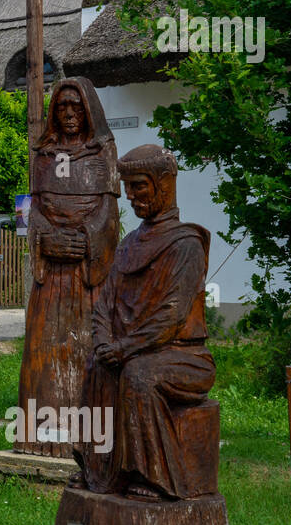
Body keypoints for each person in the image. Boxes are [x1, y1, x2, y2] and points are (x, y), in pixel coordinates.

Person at [71, 144, 215, 500]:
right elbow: (104, 304)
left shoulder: (186, 244)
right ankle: (100, 472)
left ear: (164, 184)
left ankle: (155, 478)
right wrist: (105, 343)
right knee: (98, 366)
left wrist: (124, 348)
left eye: (139, 186)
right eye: (128, 188)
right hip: (133, 351)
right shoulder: (129, 244)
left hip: (183, 358)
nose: (131, 196)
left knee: (139, 376)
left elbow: (171, 316)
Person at [15, 78, 119, 456]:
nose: (70, 114)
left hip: (86, 278)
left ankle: (87, 438)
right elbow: (34, 209)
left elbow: (109, 212)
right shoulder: (44, 155)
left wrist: (87, 240)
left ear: (88, 110)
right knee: (44, 352)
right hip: (50, 280)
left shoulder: (102, 152)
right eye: (63, 108)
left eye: (77, 107)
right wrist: (45, 239)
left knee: (86, 350)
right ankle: (39, 436)